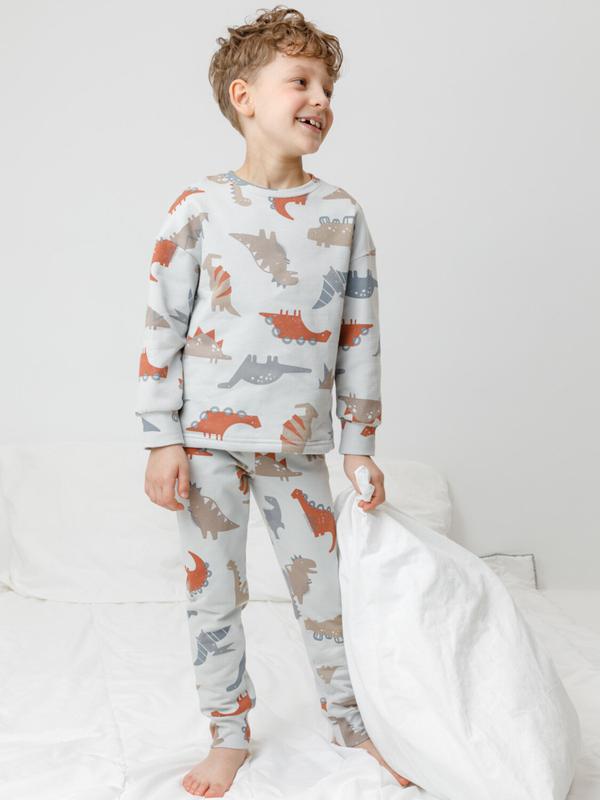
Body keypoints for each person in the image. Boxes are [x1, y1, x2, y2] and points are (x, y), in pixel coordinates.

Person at [135, 5, 412, 796]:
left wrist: (359, 447)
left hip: (299, 448)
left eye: (328, 88)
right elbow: (162, 327)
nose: (320, 98)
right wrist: (161, 437)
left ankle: (353, 722)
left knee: (326, 597)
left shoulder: (342, 215)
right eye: (302, 81)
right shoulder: (198, 208)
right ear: (245, 96)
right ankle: (228, 733)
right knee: (213, 595)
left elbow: (360, 334)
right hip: (206, 444)